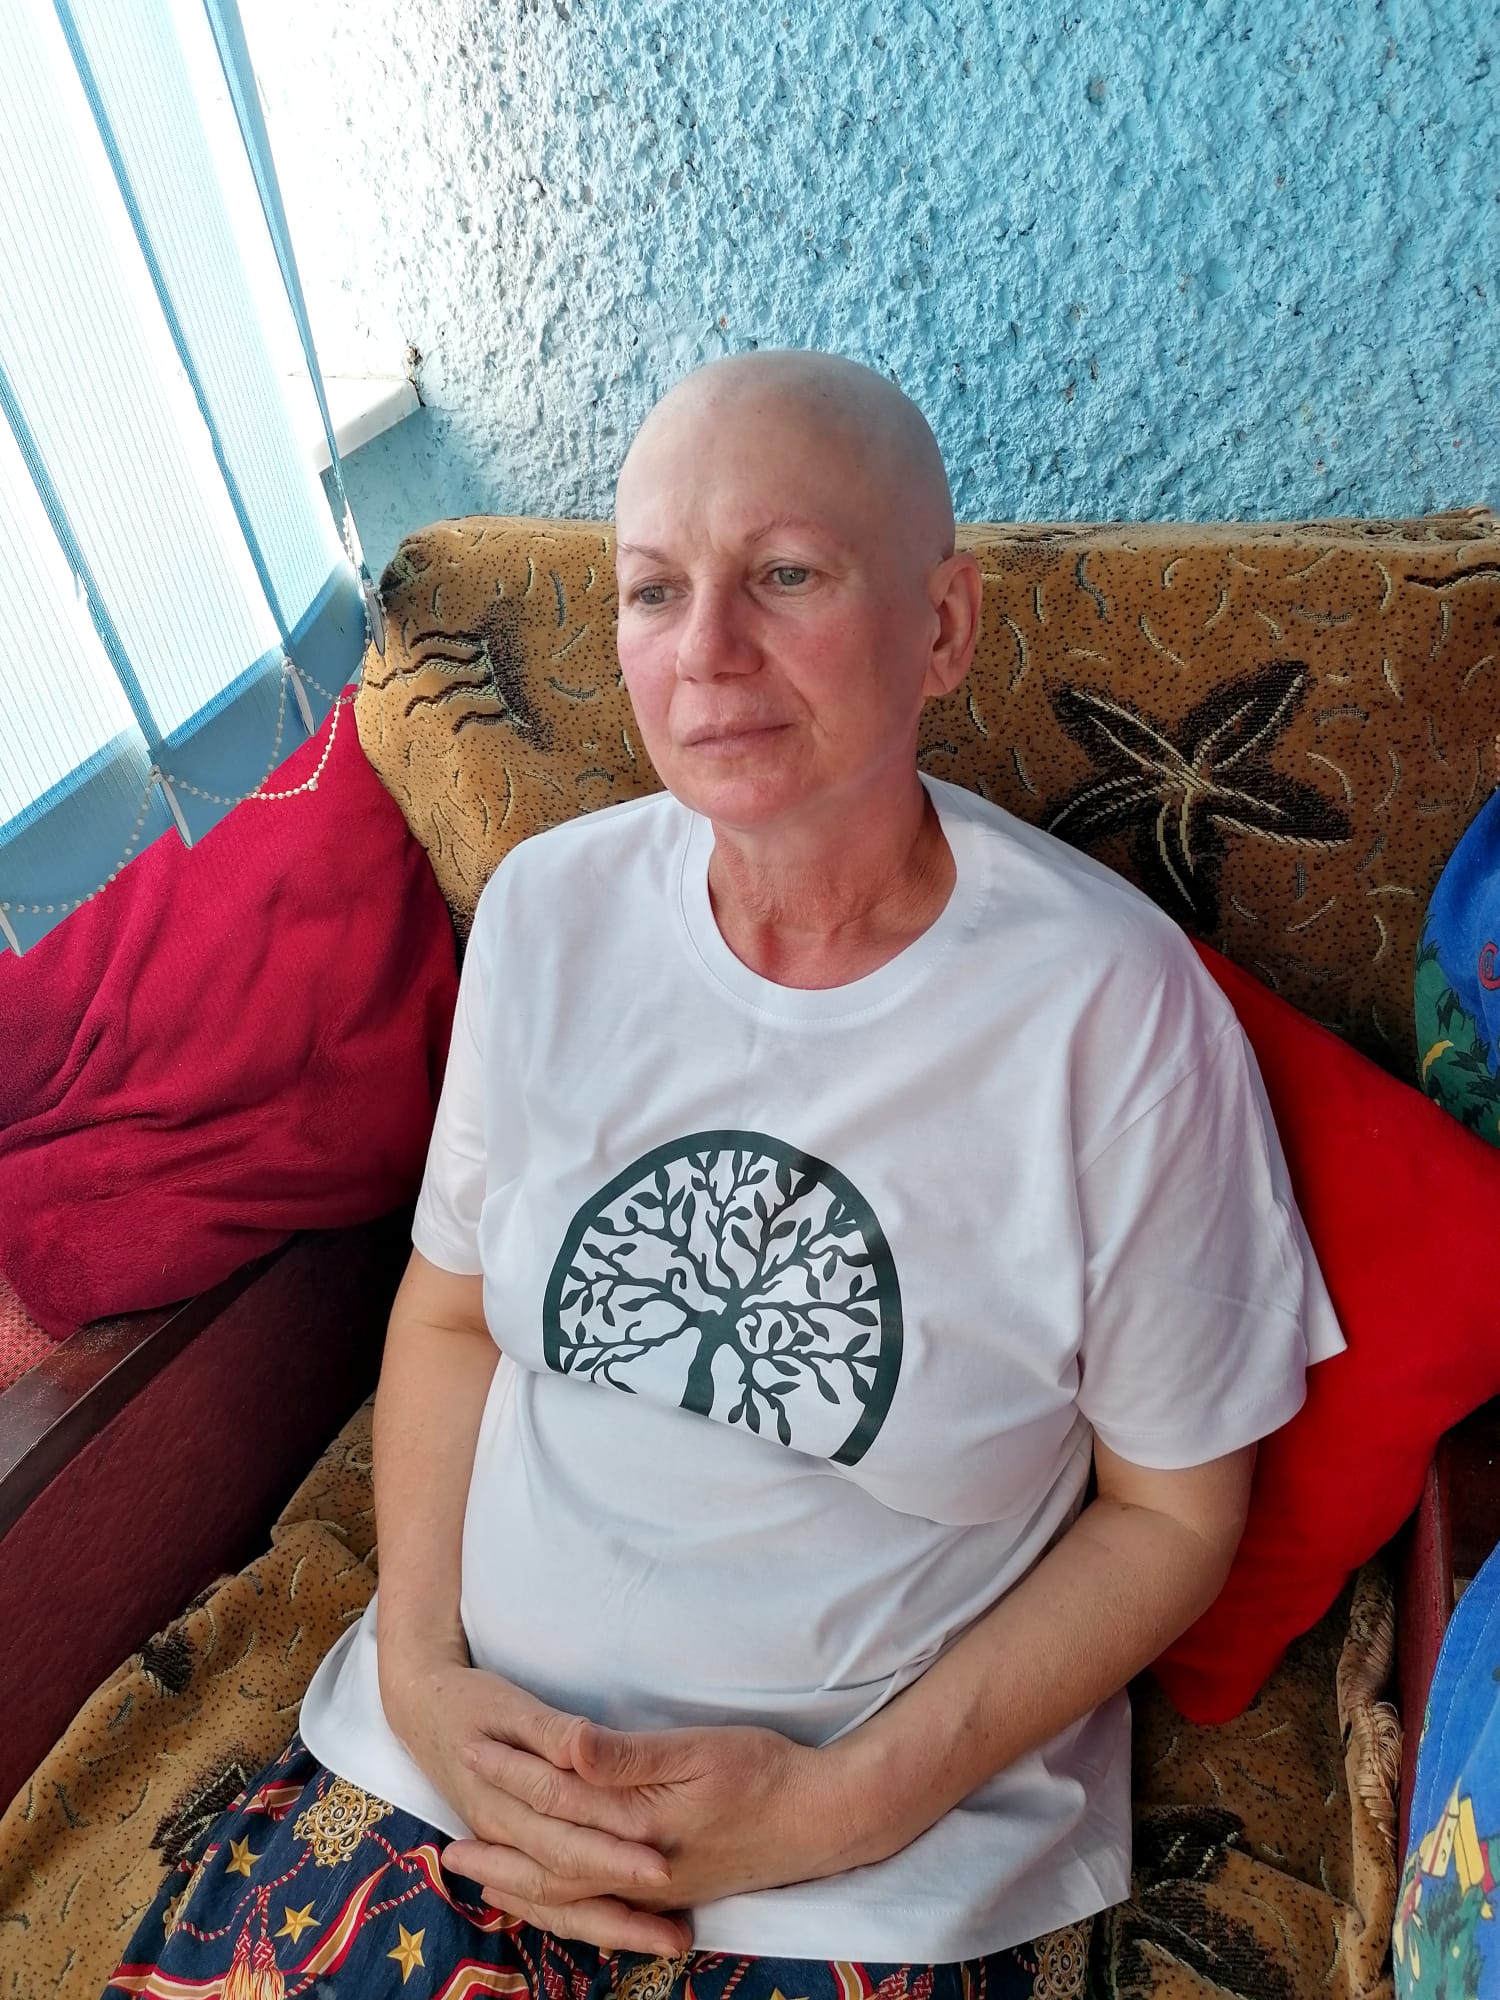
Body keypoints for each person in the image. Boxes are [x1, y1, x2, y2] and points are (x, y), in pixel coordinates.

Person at [104, 351, 1344, 2000]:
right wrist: (419, 1683)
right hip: (458, 1780)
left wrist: (840, 1806)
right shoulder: (546, 913)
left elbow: (1174, 1512)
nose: (707, 653)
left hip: (873, 1865)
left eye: (786, 576)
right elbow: (454, 1317)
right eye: (653, 590)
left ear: (943, 626)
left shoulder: (1113, 1017)